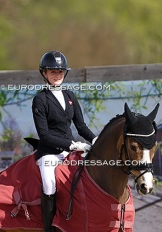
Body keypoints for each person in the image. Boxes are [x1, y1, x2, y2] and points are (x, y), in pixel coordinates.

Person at [32, 51, 97, 232]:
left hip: (69, 152)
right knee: (49, 184)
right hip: (49, 153)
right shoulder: (40, 99)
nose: (57, 75)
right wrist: (70, 144)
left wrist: (95, 139)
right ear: (44, 73)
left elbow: (81, 127)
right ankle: (49, 228)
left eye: (60, 72)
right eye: (53, 72)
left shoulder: (70, 96)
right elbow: (44, 135)